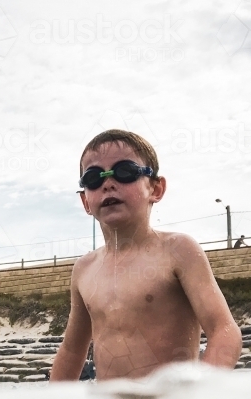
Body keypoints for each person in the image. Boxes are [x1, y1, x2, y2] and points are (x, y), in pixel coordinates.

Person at [50, 129, 241, 382]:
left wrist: (200, 394)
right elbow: (72, 351)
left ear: (156, 189)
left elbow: (224, 331)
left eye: (125, 172)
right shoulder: (84, 269)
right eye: (94, 178)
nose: (108, 183)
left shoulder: (178, 250)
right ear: (86, 201)